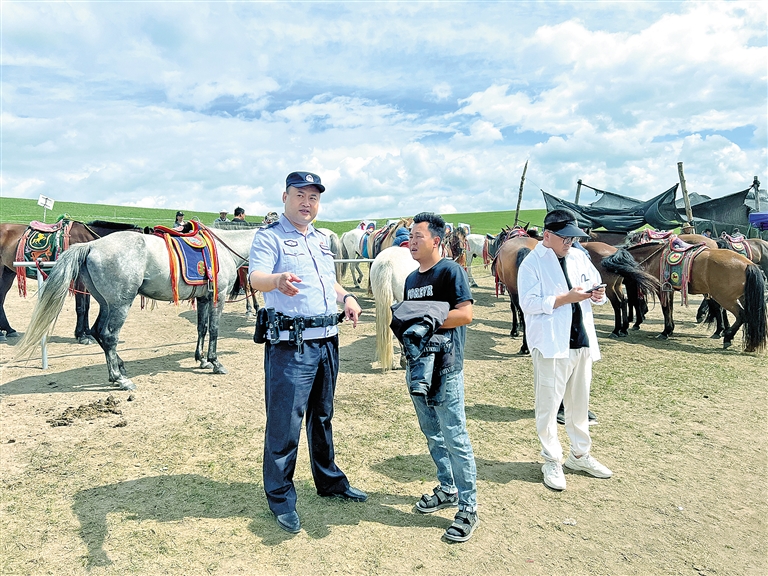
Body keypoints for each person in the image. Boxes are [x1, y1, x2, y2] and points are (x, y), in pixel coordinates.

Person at [248, 171, 366, 535]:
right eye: (300, 195)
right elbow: (255, 277)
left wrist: (347, 298)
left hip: (327, 339)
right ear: (285, 197)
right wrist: (276, 280)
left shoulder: (321, 239)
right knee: (285, 424)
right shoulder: (269, 237)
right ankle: (281, 498)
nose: (307, 202)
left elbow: (327, 282)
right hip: (291, 344)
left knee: (322, 416)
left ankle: (329, 481)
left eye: (313, 197)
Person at [518, 208, 613, 491]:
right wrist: (564, 299)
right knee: (548, 406)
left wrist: (598, 295)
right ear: (547, 235)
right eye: (565, 238)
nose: (570, 243)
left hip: (581, 340)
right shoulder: (531, 263)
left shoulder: (579, 257)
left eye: (573, 238)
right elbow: (528, 303)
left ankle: (580, 455)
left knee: (579, 403)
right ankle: (552, 459)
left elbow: (595, 288)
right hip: (551, 343)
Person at [404, 212, 479, 543]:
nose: (411, 241)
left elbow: (466, 314)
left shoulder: (451, 271)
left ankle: (468, 507)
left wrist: (425, 320)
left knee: (455, 436)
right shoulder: (410, 279)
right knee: (432, 433)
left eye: (418, 236)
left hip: (446, 366)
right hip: (418, 366)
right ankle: (448, 488)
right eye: (410, 236)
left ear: (436, 240)